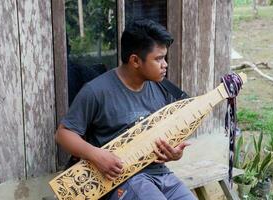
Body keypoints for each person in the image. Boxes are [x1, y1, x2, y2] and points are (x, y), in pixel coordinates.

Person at [55, 19, 197, 200]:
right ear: (135, 61)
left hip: (161, 174)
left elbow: (166, 136)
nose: (165, 64)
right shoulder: (96, 91)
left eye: (165, 58)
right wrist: (97, 155)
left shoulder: (163, 88)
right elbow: (63, 134)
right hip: (122, 179)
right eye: (159, 59)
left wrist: (174, 153)